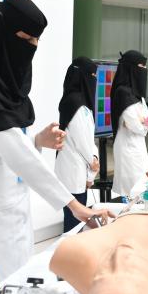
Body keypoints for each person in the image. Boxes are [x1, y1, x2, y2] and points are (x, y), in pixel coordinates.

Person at [0, 0, 111, 280]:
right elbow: (16, 153)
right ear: (3, 33)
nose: (33, 46)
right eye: (27, 38)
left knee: (15, 276)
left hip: (11, 204)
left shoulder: (5, 84)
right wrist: (73, 205)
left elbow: (8, 142)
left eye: (37, 40)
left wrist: (36, 141)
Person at [56, 57, 100, 232]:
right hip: (73, 170)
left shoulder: (80, 104)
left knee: (78, 219)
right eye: (92, 75)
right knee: (73, 224)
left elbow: (88, 140)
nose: (94, 79)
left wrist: (92, 166)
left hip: (79, 170)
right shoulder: (75, 103)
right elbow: (83, 143)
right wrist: (93, 166)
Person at [110, 50, 148, 197]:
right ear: (131, 68)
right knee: (131, 192)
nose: (144, 69)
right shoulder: (123, 92)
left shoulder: (137, 94)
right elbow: (137, 126)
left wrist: (143, 121)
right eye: (141, 66)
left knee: (142, 189)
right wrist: (143, 122)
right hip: (127, 150)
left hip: (138, 147)